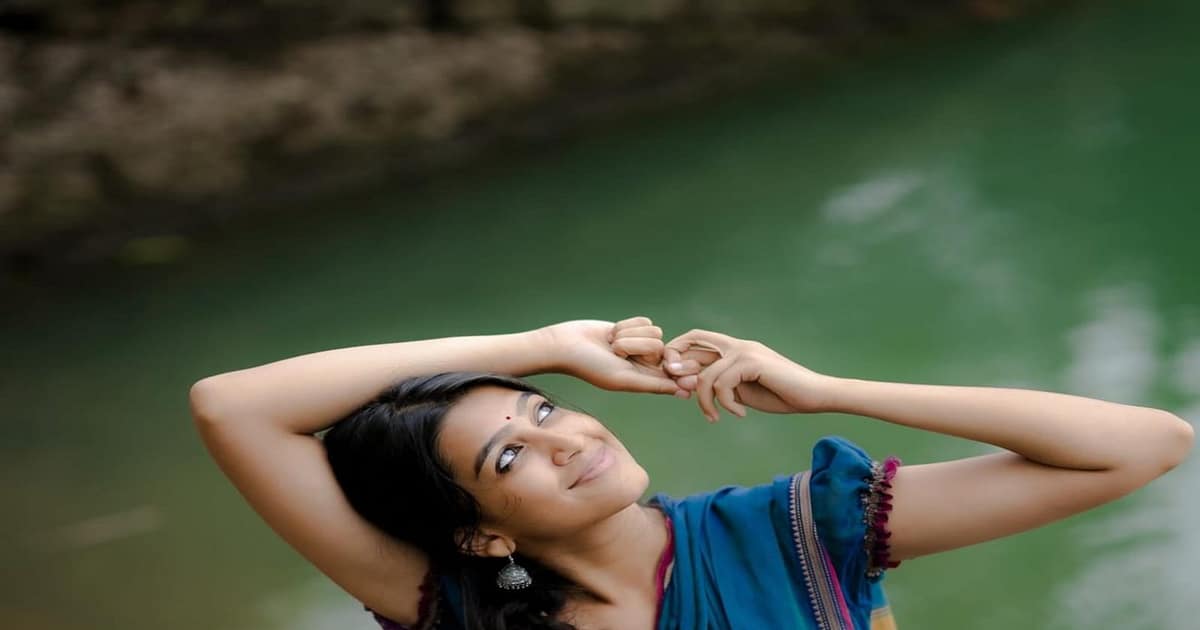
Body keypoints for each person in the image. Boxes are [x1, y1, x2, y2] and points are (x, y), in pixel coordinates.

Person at [189, 317, 1193, 630]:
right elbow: (232, 406)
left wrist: (829, 391)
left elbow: (1145, 443)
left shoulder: (797, 531)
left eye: (546, 409)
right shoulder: (453, 606)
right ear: (480, 532)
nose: (565, 439)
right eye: (510, 455)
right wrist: (540, 347)